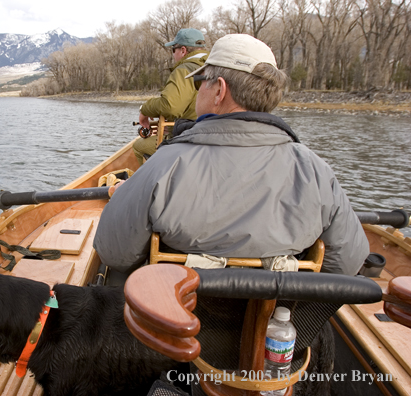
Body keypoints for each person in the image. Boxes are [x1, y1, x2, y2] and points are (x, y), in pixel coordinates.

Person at [95, 34, 369, 276]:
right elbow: (347, 263)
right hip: (276, 324)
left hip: (178, 321)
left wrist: (126, 197)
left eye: (201, 81)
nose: (198, 89)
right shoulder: (315, 170)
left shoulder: (165, 163)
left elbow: (114, 254)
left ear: (219, 90)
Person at [133, 28, 208, 166]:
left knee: (138, 146)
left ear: (183, 50)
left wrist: (144, 109)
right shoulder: (214, 67)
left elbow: (171, 106)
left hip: (187, 141)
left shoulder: (184, 69)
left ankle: (147, 185)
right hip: (205, 137)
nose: (173, 55)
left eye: (174, 50)